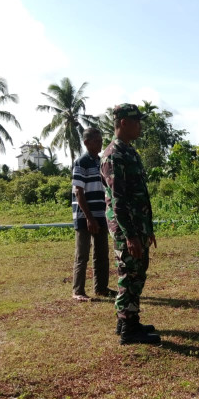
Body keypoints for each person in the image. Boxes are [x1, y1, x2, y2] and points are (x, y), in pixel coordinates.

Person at [100, 104, 160, 344]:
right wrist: (131, 236)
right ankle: (129, 330)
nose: (140, 126)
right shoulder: (114, 155)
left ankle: (127, 320)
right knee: (129, 275)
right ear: (123, 122)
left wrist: (147, 229)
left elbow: (139, 196)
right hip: (128, 230)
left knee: (136, 274)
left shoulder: (129, 152)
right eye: (137, 121)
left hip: (138, 227)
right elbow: (119, 201)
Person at [71, 127, 115, 302]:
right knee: (82, 255)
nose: (100, 143)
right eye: (96, 141)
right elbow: (78, 192)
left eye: (101, 140)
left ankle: (101, 288)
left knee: (102, 254)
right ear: (86, 143)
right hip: (85, 215)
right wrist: (88, 218)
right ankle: (78, 290)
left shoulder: (101, 161)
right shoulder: (81, 162)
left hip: (101, 214)